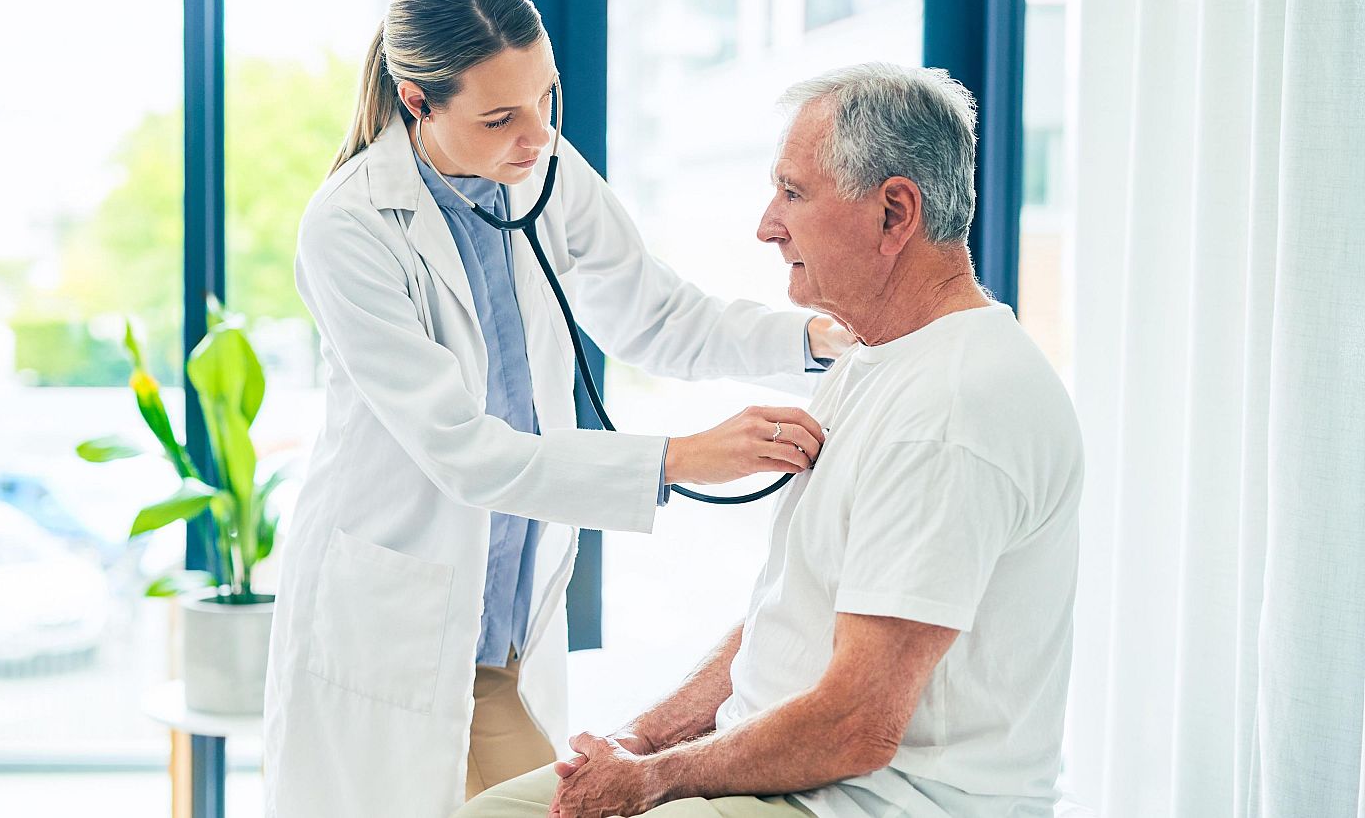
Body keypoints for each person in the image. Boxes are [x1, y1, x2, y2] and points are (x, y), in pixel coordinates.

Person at [263, 0, 852, 818]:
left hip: (498, 633)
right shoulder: (350, 227)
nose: (535, 135)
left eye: (546, 99)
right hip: (387, 627)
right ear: (417, 100)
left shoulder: (541, 170)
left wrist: (810, 338)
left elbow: (656, 313)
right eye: (501, 116)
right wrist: (679, 459)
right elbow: (462, 451)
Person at [456, 63, 1084, 818]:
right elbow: (788, 619)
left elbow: (858, 726)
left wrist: (656, 781)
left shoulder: (953, 410)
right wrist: (637, 743)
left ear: (893, 214)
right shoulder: (870, 360)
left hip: (871, 801)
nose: (766, 224)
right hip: (790, 770)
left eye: (792, 193)